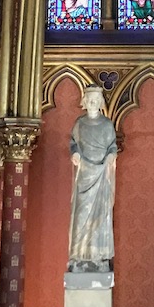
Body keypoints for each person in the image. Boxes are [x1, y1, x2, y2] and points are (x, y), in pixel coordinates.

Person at [68, 85, 117, 271]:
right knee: (81, 216)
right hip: (84, 176)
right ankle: (79, 256)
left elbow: (112, 146)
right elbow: (74, 143)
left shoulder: (107, 125)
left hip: (101, 174)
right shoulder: (79, 124)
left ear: (100, 102)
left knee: (100, 218)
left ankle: (98, 257)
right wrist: (75, 153)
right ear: (85, 102)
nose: (92, 103)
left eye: (96, 101)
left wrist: (110, 156)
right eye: (90, 100)